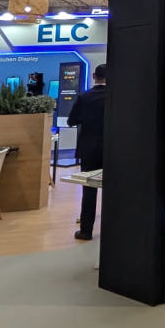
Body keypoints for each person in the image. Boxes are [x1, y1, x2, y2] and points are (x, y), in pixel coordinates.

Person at [66, 64, 107, 240]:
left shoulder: (83, 97)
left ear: (94, 76)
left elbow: (71, 121)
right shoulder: (117, 97)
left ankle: (86, 231)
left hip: (89, 149)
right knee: (114, 189)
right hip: (112, 149)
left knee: (89, 190)